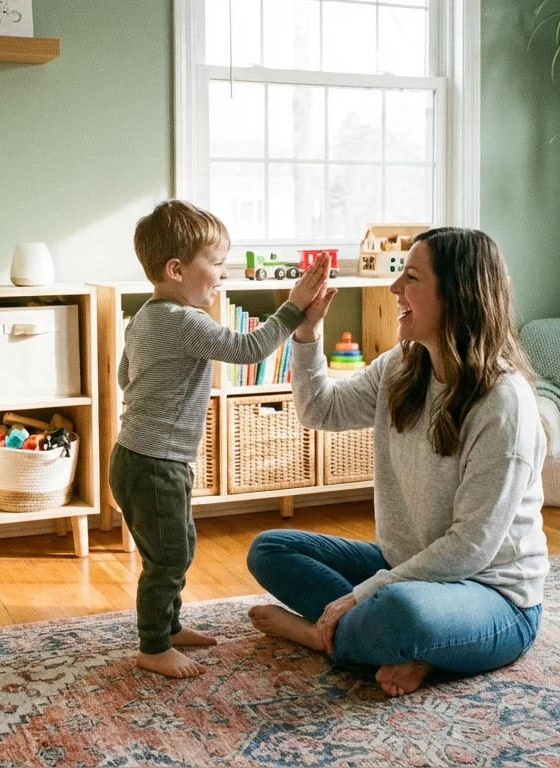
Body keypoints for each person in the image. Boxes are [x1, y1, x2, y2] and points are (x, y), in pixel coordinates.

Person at [246, 227, 549, 697]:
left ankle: (321, 636)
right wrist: (307, 333)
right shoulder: (401, 367)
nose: (394, 290)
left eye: (410, 277)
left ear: (458, 294)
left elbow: (471, 549)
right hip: (406, 566)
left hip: (494, 597)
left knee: (403, 612)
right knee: (270, 549)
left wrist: (360, 595)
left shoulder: (504, 403)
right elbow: (319, 410)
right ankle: (390, 644)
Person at [113, 199, 329, 679]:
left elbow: (127, 376)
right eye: (217, 264)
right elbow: (251, 349)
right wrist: (294, 306)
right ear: (176, 269)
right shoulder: (186, 321)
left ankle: (167, 627)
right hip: (156, 462)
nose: (224, 275)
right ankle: (152, 645)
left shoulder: (143, 318)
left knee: (172, 548)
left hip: (134, 456)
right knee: (169, 555)